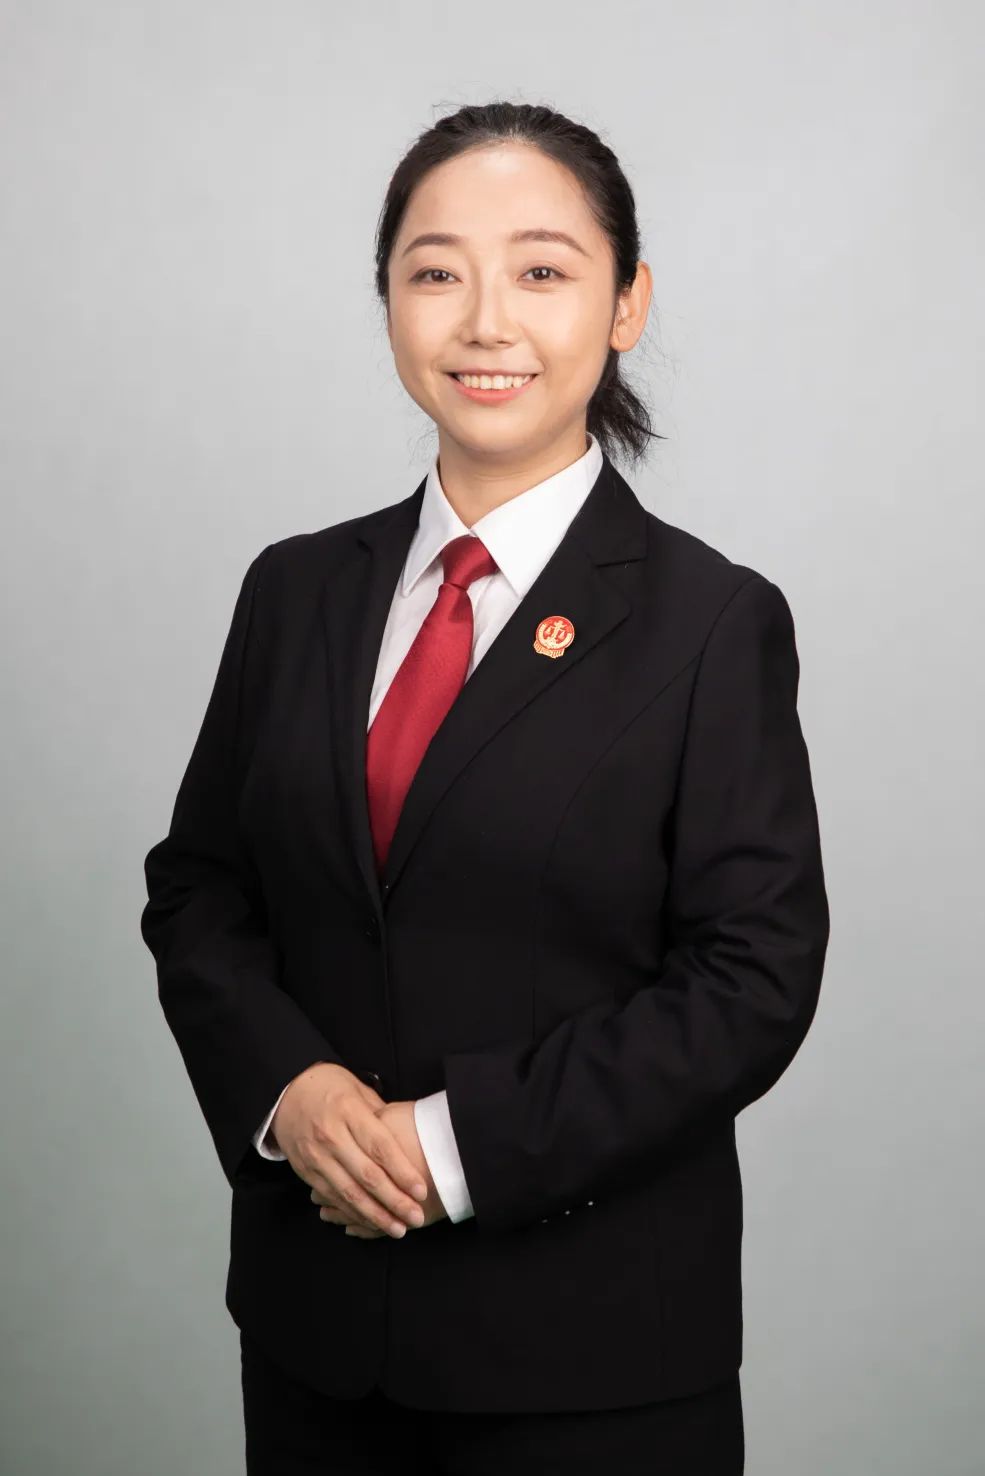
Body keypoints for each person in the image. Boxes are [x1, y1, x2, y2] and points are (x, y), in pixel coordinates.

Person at [140, 99, 830, 1475]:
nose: (484, 322)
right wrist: (290, 1092)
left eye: (541, 270)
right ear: (389, 302)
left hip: (594, 1361)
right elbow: (201, 890)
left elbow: (751, 977)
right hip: (316, 1339)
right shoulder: (296, 590)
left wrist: (452, 1148)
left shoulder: (710, 622)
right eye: (435, 272)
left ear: (626, 304)